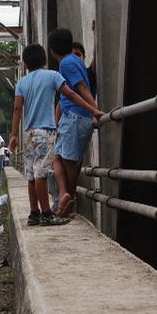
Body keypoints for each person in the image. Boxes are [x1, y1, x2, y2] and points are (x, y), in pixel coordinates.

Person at [9, 43, 103, 226]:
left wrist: (14, 135)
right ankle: (46, 214)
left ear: (25, 64)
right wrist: (94, 110)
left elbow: (17, 109)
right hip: (46, 131)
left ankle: (34, 213)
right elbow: (73, 96)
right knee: (41, 174)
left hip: (29, 132)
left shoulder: (22, 83)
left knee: (31, 175)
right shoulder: (53, 76)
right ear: (45, 59)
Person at [49, 28, 102, 217]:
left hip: (75, 117)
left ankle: (67, 200)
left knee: (69, 162)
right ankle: (65, 196)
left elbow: (79, 89)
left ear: (52, 50)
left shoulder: (66, 64)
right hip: (71, 118)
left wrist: (94, 110)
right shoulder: (73, 61)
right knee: (59, 158)